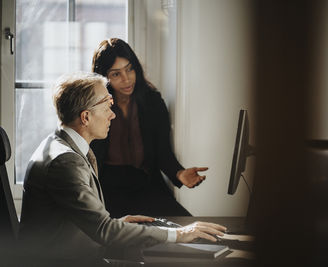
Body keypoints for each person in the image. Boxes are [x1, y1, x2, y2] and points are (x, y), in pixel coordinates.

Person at [18, 72, 226, 263]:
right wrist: (179, 234)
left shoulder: (59, 144)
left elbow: (81, 223)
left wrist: (120, 223)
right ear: (86, 117)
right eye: (107, 105)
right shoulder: (65, 162)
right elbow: (103, 230)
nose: (113, 114)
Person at [91, 38, 206, 217]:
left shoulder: (153, 102)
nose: (127, 78)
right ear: (104, 78)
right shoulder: (95, 107)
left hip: (147, 186)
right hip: (108, 192)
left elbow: (163, 152)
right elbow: (90, 157)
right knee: (121, 238)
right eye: (116, 74)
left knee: (189, 226)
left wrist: (180, 173)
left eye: (129, 69)